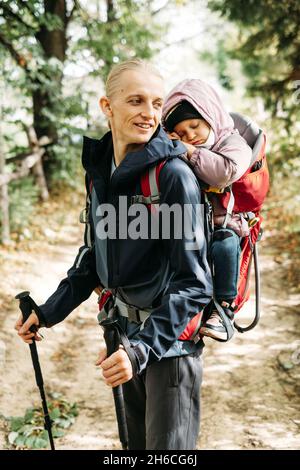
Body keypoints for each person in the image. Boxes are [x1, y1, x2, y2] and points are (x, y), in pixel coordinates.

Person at [15, 60, 213, 450]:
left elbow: (194, 284)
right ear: (108, 106)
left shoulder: (172, 177)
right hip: (122, 336)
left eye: (156, 103)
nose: (149, 114)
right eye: (136, 101)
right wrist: (49, 311)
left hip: (167, 347)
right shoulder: (100, 172)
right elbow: (93, 257)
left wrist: (142, 350)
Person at [162, 79, 252, 341]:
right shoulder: (183, 148)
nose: (190, 135)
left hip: (226, 223)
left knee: (224, 245)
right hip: (193, 224)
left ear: (210, 118)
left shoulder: (232, 143)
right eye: (181, 131)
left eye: (194, 125)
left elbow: (225, 173)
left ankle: (224, 311)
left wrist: (187, 151)